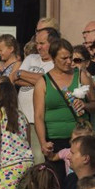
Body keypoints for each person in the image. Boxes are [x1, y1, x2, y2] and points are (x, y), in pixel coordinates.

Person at [34, 38, 95, 186]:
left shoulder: (81, 76)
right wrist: (43, 143)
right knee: (57, 182)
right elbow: (38, 116)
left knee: (81, 182)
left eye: (71, 57)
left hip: (80, 138)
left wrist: (85, 105)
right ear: (53, 59)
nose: (69, 61)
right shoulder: (43, 82)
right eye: (64, 58)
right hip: (55, 140)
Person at [15, 26, 59, 165]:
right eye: (37, 43)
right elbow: (16, 77)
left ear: (53, 43)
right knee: (23, 159)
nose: (38, 47)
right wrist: (40, 80)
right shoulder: (31, 58)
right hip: (21, 119)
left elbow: (51, 82)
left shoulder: (56, 64)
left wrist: (24, 75)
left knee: (38, 159)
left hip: (38, 120)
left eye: (42, 43)